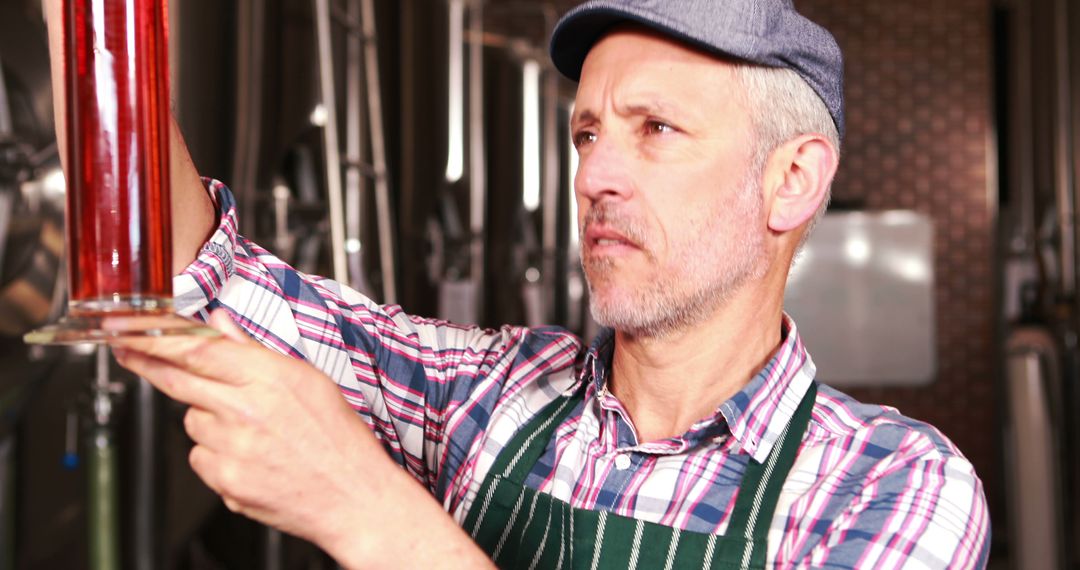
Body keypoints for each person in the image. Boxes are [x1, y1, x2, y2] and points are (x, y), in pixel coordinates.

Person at [45, 0, 990, 567]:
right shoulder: (488, 395)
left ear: (793, 179)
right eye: (587, 134)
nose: (594, 177)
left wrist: (368, 514)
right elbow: (192, 273)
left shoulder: (890, 489)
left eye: (655, 129)